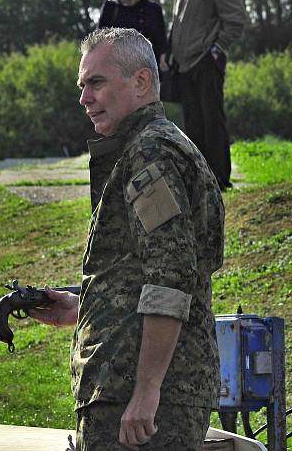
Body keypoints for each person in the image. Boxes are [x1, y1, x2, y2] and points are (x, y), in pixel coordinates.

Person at [30, 28, 224, 450]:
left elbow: (171, 277)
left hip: (139, 401)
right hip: (134, 390)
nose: (85, 98)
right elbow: (147, 270)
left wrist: (146, 390)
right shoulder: (147, 147)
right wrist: (83, 308)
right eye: (82, 86)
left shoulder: (150, 153)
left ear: (140, 82)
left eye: (96, 83)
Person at [168, 0, 246, 190]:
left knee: (212, 120)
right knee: (193, 125)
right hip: (185, 65)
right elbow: (179, 21)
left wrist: (217, 48)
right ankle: (201, 180)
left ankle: (220, 179)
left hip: (206, 61)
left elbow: (236, 19)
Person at [98, 0, 168, 69]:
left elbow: (161, 43)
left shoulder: (155, 9)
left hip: (148, 72)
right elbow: (100, 42)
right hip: (117, 71)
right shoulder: (111, 7)